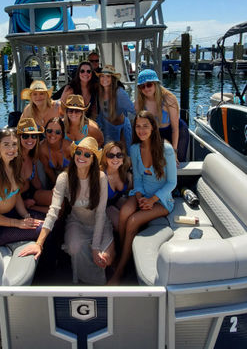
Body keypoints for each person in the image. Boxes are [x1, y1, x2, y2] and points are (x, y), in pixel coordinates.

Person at [18, 137, 115, 285]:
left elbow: (101, 214)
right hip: (77, 223)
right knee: (75, 247)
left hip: (98, 223)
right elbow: (53, 211)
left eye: (87, 155)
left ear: (94, 159)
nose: (82, 157)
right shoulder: (64, 178)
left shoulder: (101, 178)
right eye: (79, 152)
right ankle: (81, 282)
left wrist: (95, 247)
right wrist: (39, 243)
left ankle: (99, 282)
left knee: (105, 259)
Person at [108, 111, 177, 285]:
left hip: (161, 200)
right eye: (138, 126)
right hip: (141, 194)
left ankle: (122, 267)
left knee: (132, 221)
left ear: (153, 127)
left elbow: (171, 183)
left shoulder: (166, 149)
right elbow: (138, 180)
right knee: (124, 212)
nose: (141, 130)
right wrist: (139, 196)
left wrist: (152, 200)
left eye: (145, 126)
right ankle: (126, 255)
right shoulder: (134, 149)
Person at [0, 128, 43, 246]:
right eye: (6, 144)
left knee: (49, 222)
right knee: (43, 229)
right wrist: (17, 223)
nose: (11, 149)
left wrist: (26, 216)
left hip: (14, 214)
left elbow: (16, 195)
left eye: (14, 144)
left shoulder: (14, 165)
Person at [135, 69, 189, 162]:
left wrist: (174, 151)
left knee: (176, 162)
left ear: (156, 84)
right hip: (157, 134)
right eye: (142, 86)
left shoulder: (169, 99)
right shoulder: (139, 103)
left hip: (177, 132)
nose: (146, 89)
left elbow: (175, 128)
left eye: (149, 84)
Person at [96, 65, 135, 154]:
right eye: (102, 76)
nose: (104, 79)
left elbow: (133, 110)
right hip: (106, 127)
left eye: (108, 76)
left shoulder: (119, 93)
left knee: (123, 154)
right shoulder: (100, 91)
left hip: (121, 129)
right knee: (109, 155)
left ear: (113, 78)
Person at [17, 118, 52, 213]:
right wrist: (23, 203)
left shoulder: (33, 157)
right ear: (19, 137)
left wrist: (46, 193)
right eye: (25, 136)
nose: (30, 139)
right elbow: (8, 191)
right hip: (15, 199)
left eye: (34, 136)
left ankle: (32, 208)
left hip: (31, 193)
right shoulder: (13, 158)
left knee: (59, 202)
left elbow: (36, 181)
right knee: (55, 214)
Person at [100, 141, 132, 230]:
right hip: (104, 206)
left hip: (118, 199)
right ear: (105, 158)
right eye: (111, 155)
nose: (115, 159)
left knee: (133, 216)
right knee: (120, 223)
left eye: (119, 155)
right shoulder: (101, 175)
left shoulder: (125, 168)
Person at [39, 117, 71, 187]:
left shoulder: (69, 147)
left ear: (62, 134)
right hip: (53, 179)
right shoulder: (42, 148)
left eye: (57, 132)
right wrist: (56, 185)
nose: (53, 134)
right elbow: (47, 168)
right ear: (45, 132)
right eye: (49, 131)